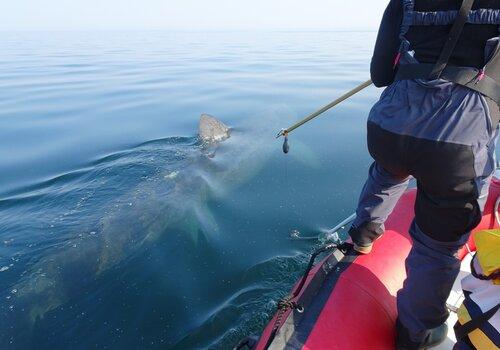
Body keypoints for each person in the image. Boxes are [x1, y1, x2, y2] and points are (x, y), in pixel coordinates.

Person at [347, 0, 500, 349]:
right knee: (438, 247)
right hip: (457, 147)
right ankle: (416, 333)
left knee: (387, 172)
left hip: (390, 128)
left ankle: (362, 237)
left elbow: (381, 75)